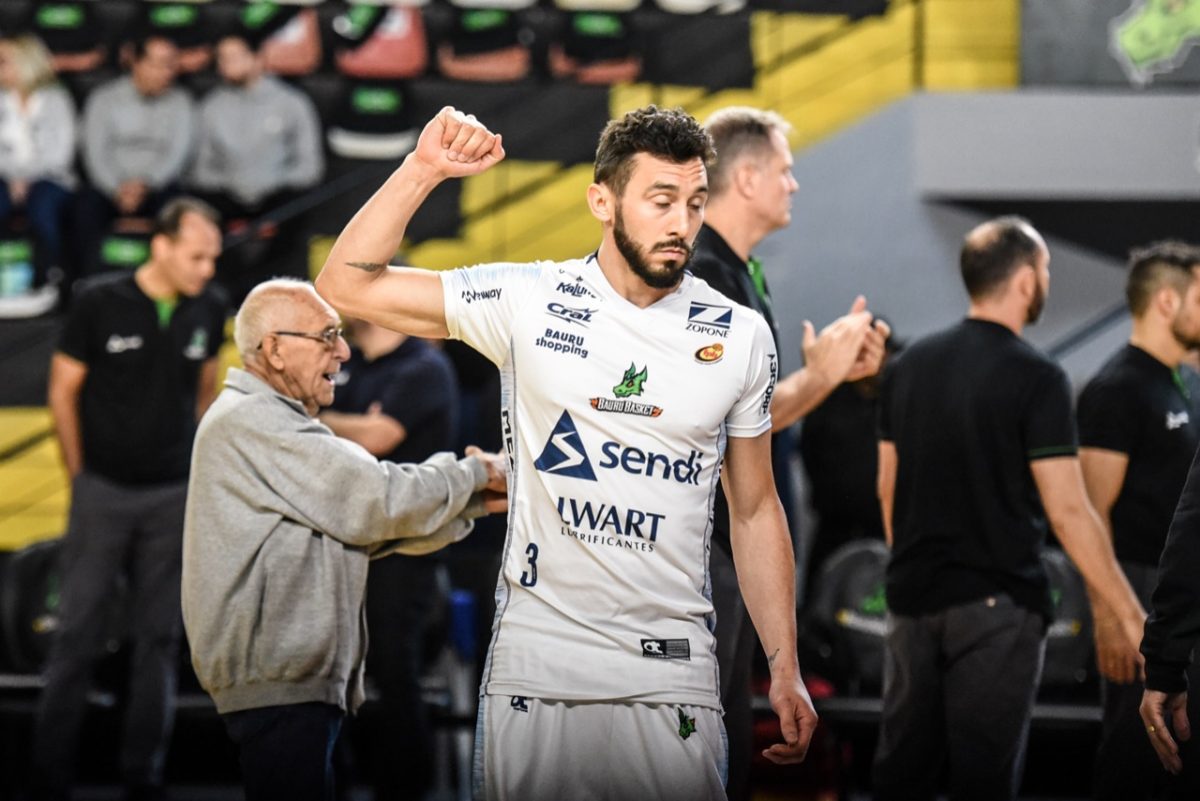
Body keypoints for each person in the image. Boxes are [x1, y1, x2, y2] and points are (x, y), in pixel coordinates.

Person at [315, 105, 819, 800]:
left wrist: (785, 667)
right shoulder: (528, 299)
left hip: (672, 675)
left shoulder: (738, 334)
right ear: (602, 202)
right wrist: (422, 169)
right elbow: (345, 284)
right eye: (661, 200)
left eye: (696, 202)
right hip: (538, 671)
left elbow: (756, 509)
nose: (681, 223)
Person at [181, 278, 504, 801]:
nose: (344, 350)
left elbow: (360, 530)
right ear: (274, 349)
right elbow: (373, 498)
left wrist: (473, 501)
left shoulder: (271, 418)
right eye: (326, 336)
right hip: (279, 677)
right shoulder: (257, 420)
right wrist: (473, 473)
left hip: (291, 679)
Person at [873, 216, 1148, 801]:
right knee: (984, 783)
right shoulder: (1039, 377)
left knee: (901, 777)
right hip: (997, 606)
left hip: (911, 601)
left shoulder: (906, 366)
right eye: (1045, 269)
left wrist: (912, 569)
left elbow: (886, 487)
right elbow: (1068, 511)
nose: (1046, 280)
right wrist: (1130, 612)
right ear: (1025, 280)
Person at [690, 105, 888, 801]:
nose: (795, 184)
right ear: (746, 178)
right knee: (706, 743)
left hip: (732, 549)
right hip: (711, 549)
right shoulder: (705, 273)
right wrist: (822, 378)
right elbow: (733, 421)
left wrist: (829, 373)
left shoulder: (737, 271)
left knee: (728, 738)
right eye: (785, 170)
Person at [31, 198, 227, 801]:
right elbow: (62, 392)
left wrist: (191, 469)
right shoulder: (97, 301)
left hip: (172, 496)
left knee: (160, 641)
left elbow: (205, 394)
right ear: (160, 246)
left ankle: (144, 777)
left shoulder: (209, 306)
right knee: (75, 636)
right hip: (104, 492)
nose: (206, 270)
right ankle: (47, 779)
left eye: (213, 258)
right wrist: (80, 476)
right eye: (196, 257)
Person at [319, 317, 461, 801]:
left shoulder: (424, 367)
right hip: (344, 539)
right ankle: (335, 783)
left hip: (405, 548)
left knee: (395, 670)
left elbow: (377, 438)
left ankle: (404, 790)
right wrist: (349, 426)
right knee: (330, 672)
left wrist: (319, 420)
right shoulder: (348, 362)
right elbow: (355, 433)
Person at [1078, 241, 1200, 800]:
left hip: (1176, 591)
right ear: (1167, 302)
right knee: (1132, 753)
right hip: (1135, 587)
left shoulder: (1183, 381)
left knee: (1178, 752)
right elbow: (1090, 509)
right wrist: (1108, 613)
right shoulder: (1117, 387)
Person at [76, 35, 195, 278]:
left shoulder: (181, 102)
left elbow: (178, 154)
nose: (167, 72)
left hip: (159, 185)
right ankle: (85, 284)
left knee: (180, 213)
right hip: (110, 185)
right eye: (159, 64)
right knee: (83, 210)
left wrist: (145, 184)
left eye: (171, 64)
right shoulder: (104, 98)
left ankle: (171, 282)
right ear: (136, 62)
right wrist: (118, 188)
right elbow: (95, 153)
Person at [0, 33, 75, 310]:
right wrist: (13, 178)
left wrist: (26, 178)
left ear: (25, 63)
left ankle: (48, 277)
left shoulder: (57, 100)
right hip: (5, 178)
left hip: (51, 177)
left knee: (42, 204)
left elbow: (60, 154)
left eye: (3, 61)